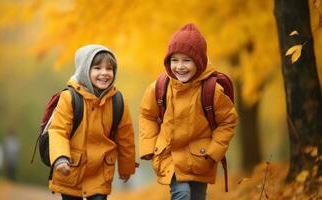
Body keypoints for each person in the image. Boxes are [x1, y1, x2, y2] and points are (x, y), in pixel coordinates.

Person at [139, 23, 238, 200]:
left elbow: (228, 121)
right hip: (171, 156)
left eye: (187, 60)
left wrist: (214, 151)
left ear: (199, 63)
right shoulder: (160, 88)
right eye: (174, 60)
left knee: (197, 197)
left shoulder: (212, 91)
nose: (180, 66)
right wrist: (149, 146)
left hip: (200, 158)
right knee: (182, 194)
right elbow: (147, 115)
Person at [48, 44, 137, 200]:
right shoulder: (70, 98)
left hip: (100, 173)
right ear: (84, 70)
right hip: (71, 169)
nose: (104, 73)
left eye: (109, 69)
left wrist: (126, 167)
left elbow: (125, 138)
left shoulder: (118, 101)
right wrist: (60, 157)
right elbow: (58, 130)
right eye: (97, 68)